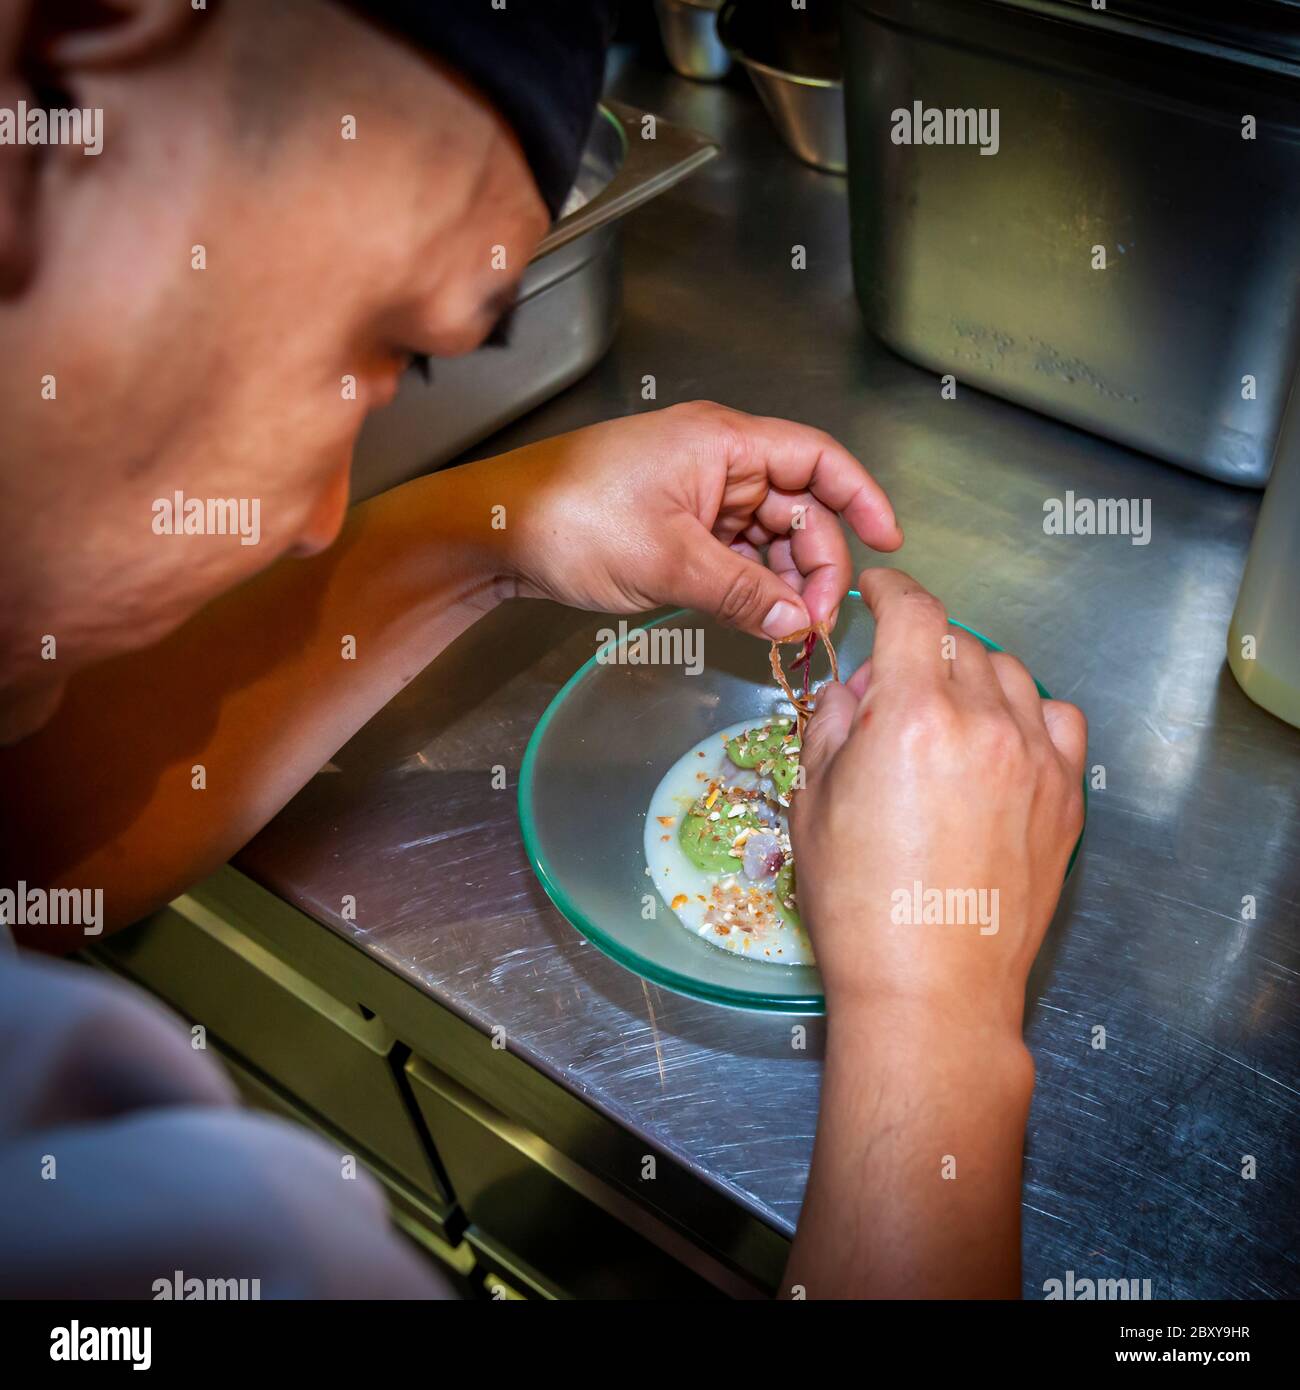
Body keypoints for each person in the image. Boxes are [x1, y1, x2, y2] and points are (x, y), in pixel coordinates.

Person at [0, 0, 1085, 1298]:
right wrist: (938, 1021)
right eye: (389, 342)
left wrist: (501, 522)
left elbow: (32, 828)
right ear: (67, 54)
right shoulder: (154, 1229)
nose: (318, 517)